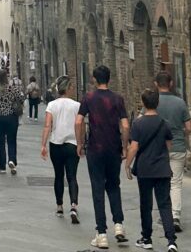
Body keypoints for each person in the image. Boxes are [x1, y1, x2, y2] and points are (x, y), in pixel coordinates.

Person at [76, 65, 129, 249]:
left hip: (95, 149)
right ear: (109, 79)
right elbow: (125, 125)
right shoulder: (117, 99)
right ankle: (119, 225)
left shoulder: (89, 98)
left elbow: (78, 121)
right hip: (113, 148)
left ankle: (102, 233)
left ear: (94, 79)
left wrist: (80, 142)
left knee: (97, 188)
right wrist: (124, 146)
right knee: (114, 185)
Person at [125, 88, 178, 252]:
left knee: (146, 204)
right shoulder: (164, 124)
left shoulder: (138, 124)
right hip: (162, 169)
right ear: (158, 103)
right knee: (165, 204)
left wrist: (127, 164)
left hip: (145, 170)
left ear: (143, 103)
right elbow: (168, 145)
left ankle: (146, 238)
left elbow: (134, 147)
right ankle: (171, 241)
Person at [40, 75, 81, 225]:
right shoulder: (77, 105)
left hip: (55, 144)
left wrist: (43, 145)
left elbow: (47, 126)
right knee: (72, 176)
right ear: (69, 88)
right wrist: (81, 143)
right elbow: (79, 125)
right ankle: (74, 206)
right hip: (72, 144)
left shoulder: (51, 105)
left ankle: (59, 206)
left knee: (58, 175)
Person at [154, 72, 191, 232]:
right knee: (175, 183)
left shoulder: (152, 102)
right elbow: (189, 128)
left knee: (161, 182)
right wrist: (180, 135)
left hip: (158, 148)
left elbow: (143, 121)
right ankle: (175, 215)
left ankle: (165, 215)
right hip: (177, 147)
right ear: (170, 84)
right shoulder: (180, 103)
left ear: (156, 84)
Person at [0, 68, 23, 173]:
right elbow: (21, 99)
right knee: (12, 140)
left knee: (0, 141)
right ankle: (12, 160)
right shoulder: (13, 89)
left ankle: (2, 167)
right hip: (11, 117)